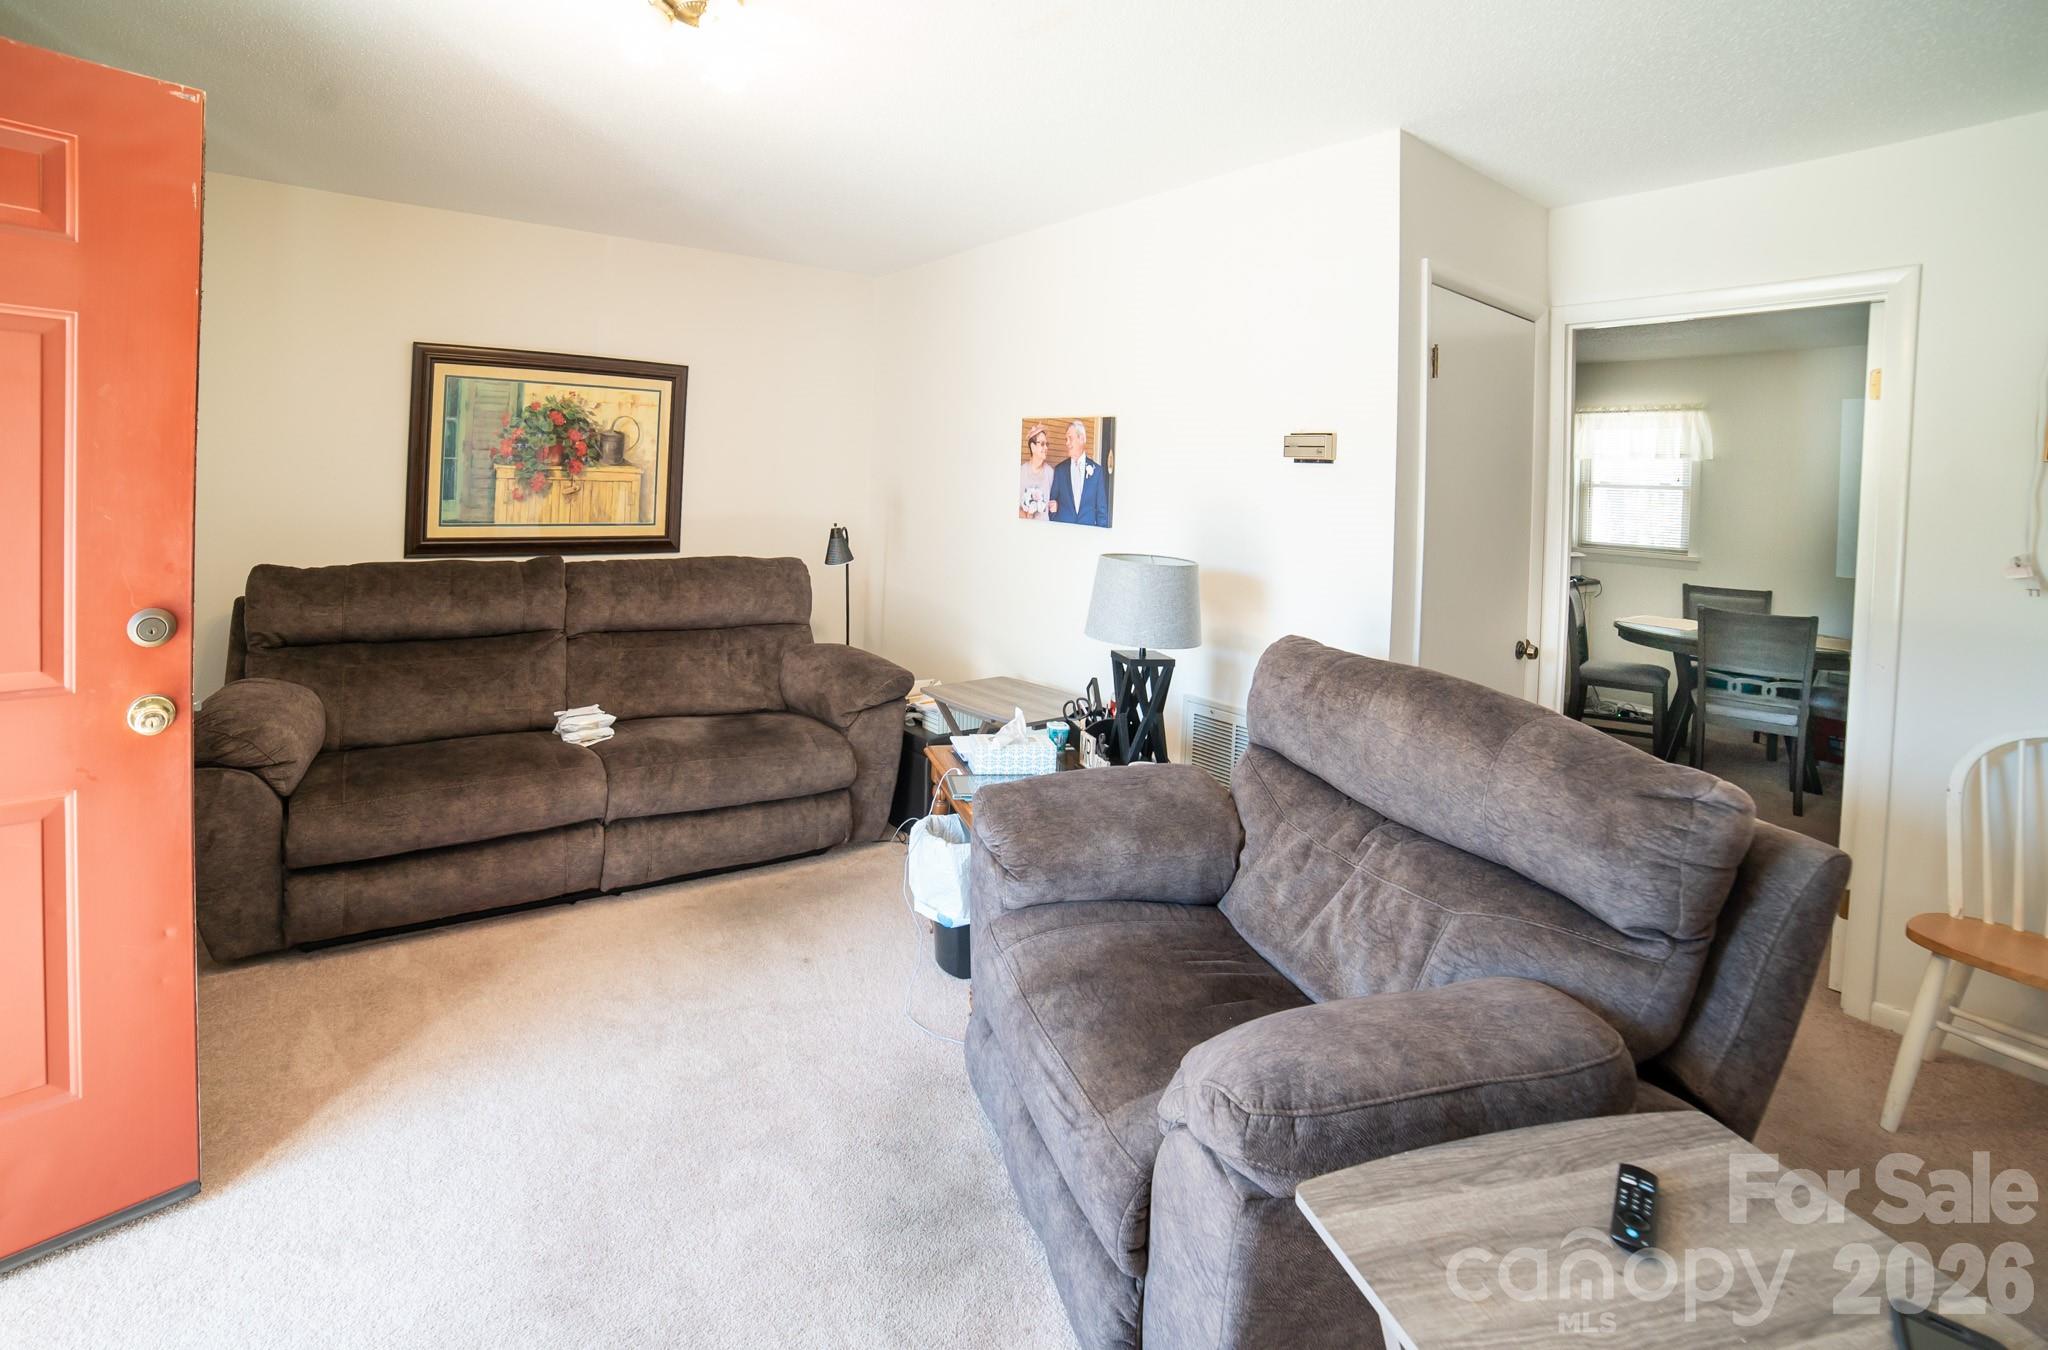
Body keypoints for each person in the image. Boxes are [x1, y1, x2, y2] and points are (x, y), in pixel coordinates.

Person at [1049, 420, 1108, 527]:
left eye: (1070, 438)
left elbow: (1101, 511)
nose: (1067, 443)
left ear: (1081, 439)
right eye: (1066, 439)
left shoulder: (1097, 472)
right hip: (1063, 533)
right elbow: (1051, 504)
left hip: (1088, 535)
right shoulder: (1059, 470)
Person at [1019, 423, 1053, 520]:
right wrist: (1025, 515)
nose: (1046, 447)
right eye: (1042, 444)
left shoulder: (1050, 473)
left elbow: (1054, 502)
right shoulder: (1021, 472)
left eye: (1047, 444)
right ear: (1033, 447)